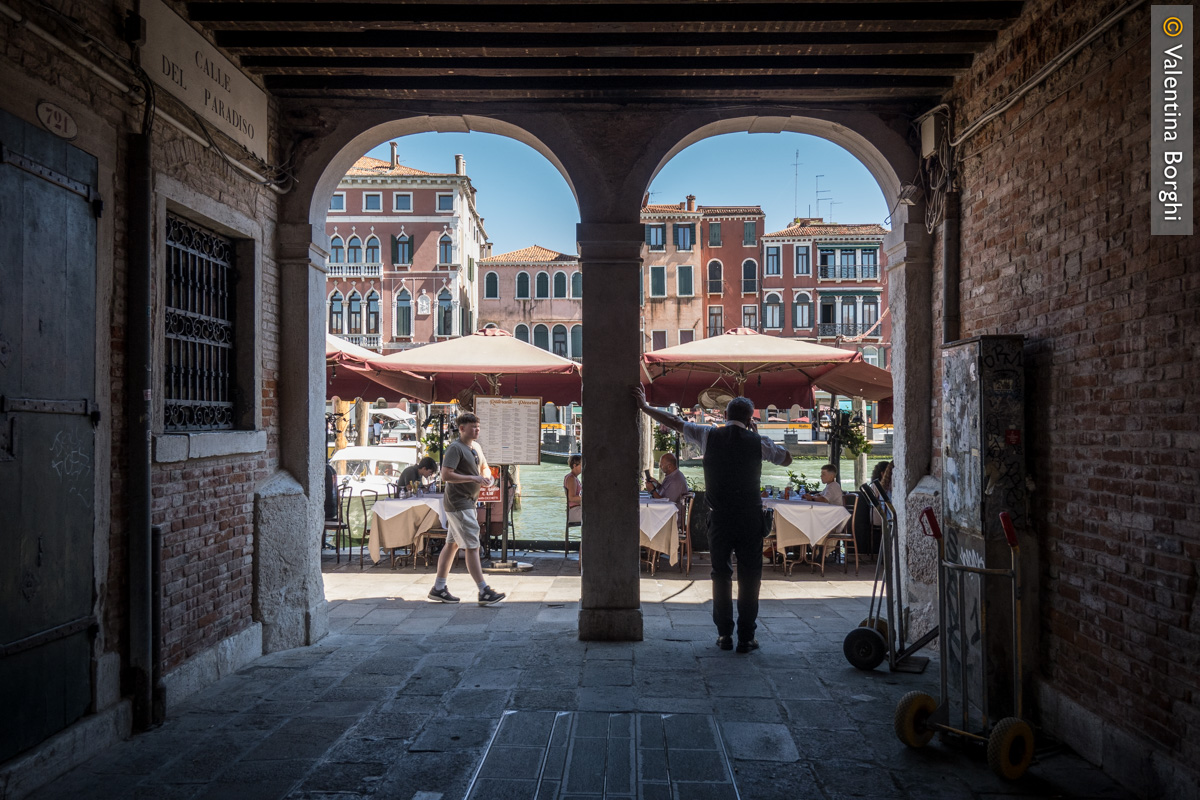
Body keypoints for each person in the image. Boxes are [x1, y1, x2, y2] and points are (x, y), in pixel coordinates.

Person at [635, 386, 791, 653]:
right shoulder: (759, 442)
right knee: (750, 576)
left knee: (721, 575)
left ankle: (724, 635)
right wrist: (755, 435)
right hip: (750, 518)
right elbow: (786, 459)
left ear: (724, 414)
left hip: (719, 518)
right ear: (750, 418)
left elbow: (675, 422)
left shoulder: (708, 435)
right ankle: (746, 637)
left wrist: (645, 407)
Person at [427, 412, 506, 606]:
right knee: (473, 545)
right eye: (473, 427)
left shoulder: (476, 447)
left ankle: (438, 588)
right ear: (462, 429)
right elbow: (446, 475)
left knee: (452, 544)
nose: (477, 430)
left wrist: (487, 478)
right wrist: (473, 478)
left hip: (469, 501)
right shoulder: (455, 448)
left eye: (478, 427)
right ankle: (483, 590)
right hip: (459, 502)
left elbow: (485, 467)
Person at [563, 454, 583, 524]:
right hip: (574, 512)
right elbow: (571, 498)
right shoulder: (571, 478)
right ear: (574, 466)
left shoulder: (572, 477)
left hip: (574, 511)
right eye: (581, 465)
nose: (583, 467)